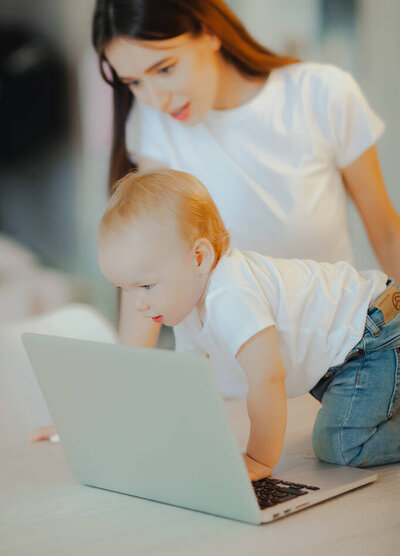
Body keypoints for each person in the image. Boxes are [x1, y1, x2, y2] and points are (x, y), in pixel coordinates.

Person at [92, 0, 400, 352]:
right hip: (220, 378)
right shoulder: (154, 127)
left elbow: (388, 234)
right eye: (134, 82)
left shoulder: (321, 94)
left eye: (164, 69)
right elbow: (147, 267)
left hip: (333, 364)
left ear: (208, 31)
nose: (155, 99)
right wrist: (127, 375)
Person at [97, 168, 400, 480]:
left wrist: (259, 458)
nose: (138, 303)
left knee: (341, 444)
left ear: (199, 258)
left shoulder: (231, 293)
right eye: (127, 289)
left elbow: (267, 377)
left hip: (371, 333)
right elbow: (193, 383)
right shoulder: (186, 302)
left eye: (146, 286)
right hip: (342, 353)